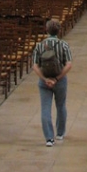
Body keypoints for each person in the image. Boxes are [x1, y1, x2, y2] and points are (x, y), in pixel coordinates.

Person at [32, 18, 73, 146]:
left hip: (44, 81)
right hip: (59, 80)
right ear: (59, 30)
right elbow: (69, 64)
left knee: (45, 108)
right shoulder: (64, 45)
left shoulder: (39, 45)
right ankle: (60, 133)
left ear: (46, 30)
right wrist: (57, 78)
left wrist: (45, 79)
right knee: (61, 106)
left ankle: (49, 138)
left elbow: (34, 65)